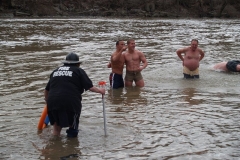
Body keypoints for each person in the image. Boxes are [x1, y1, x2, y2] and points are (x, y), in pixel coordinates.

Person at [44, 52, 105, 137]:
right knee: (73, 126)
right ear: (78, 64)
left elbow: (47, 90)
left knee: (56, 127)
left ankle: (56, 146)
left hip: (52, 101)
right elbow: (90, 87)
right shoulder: (78, 71)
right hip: (70, 101)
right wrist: (100, 90)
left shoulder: (56, 71)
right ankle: (72, 147)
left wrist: (47, 102)